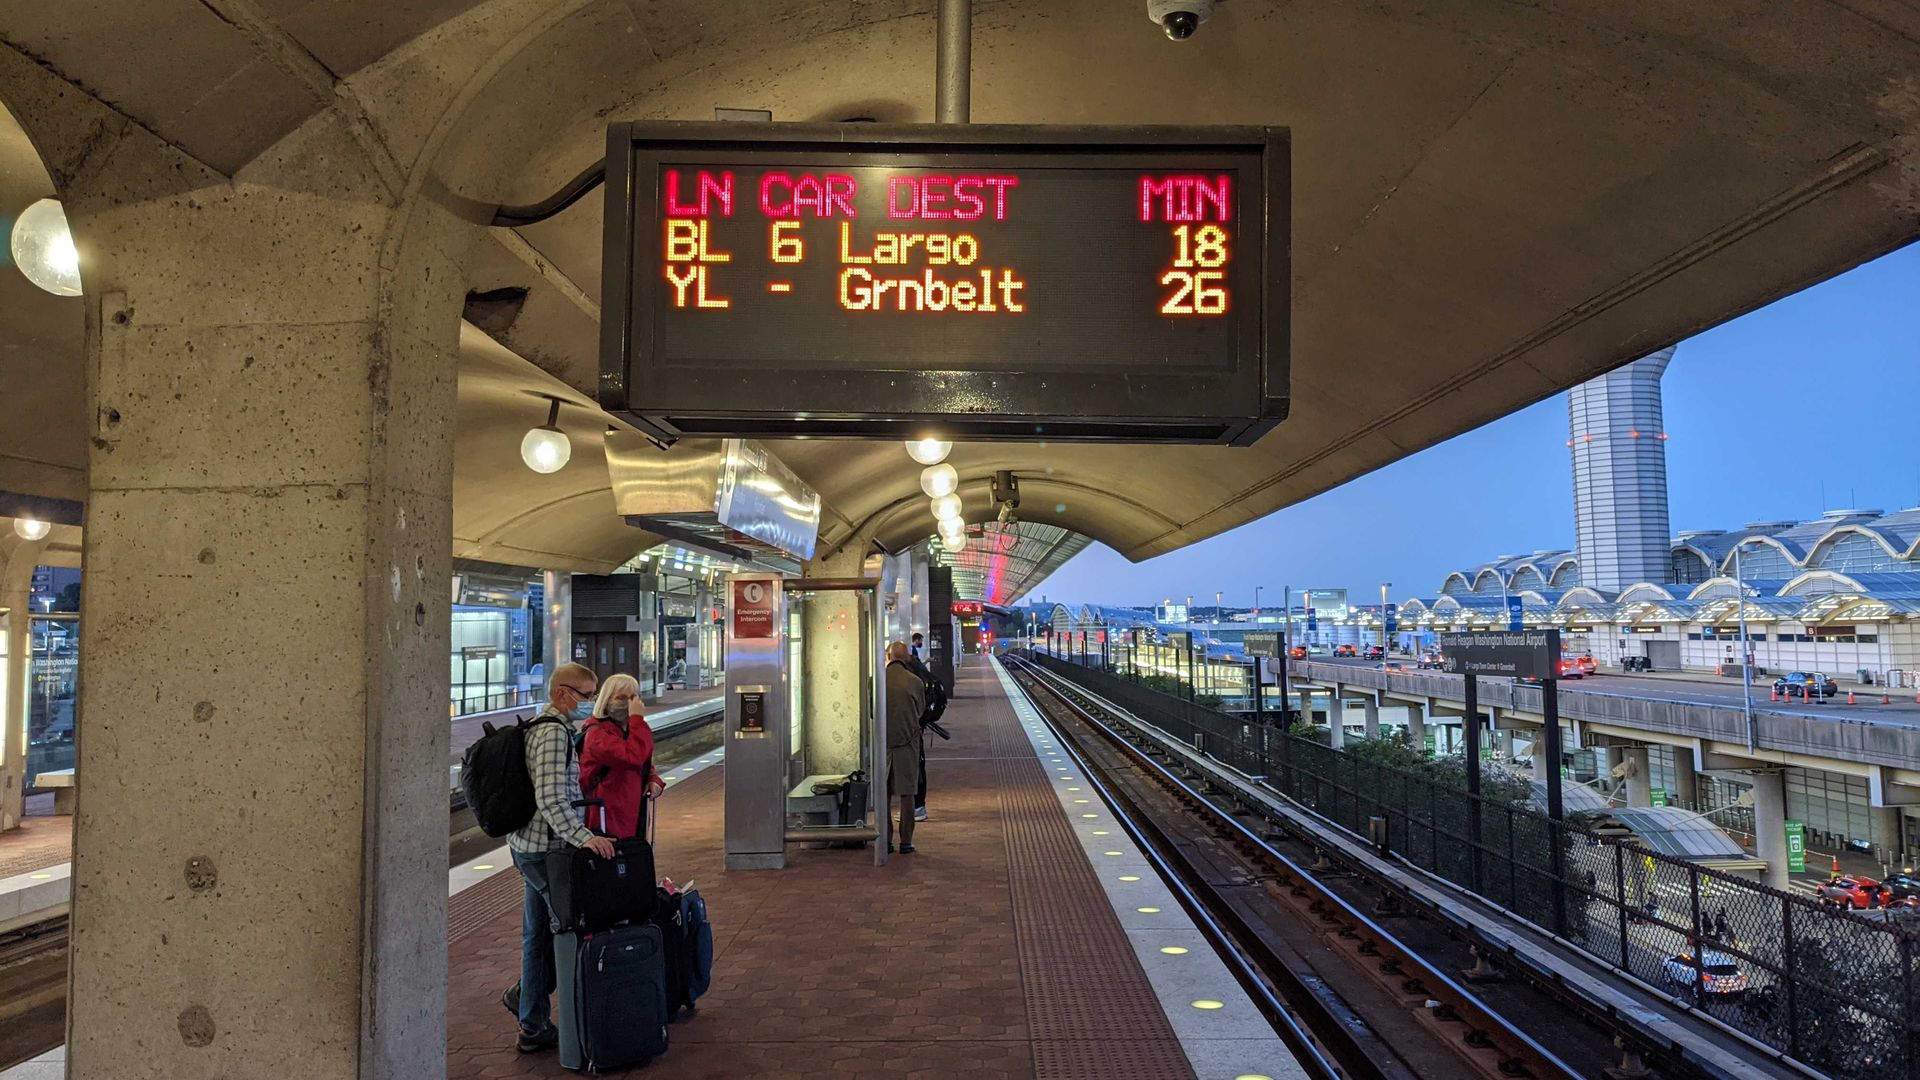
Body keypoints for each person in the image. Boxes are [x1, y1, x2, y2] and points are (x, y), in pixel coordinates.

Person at [503, 663, 615, 1053]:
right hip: (544, 851)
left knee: (536, 935)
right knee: (567, 931)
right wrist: (585, 838)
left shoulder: (545, 727)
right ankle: (549, 1017)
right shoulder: (552, 734)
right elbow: (550, 799)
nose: (589, 703)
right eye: (586, 696)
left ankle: (530, 1016)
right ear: (561, 694)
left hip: (529, 846)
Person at [580, 673, 666, 839]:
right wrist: (637, 719)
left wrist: (653, 780)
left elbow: (644, 764)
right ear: (606, 699)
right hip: (606, 815)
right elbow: (633, 757)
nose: (628, 703)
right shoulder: (597, 735)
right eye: (621, 697)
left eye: (633, 697)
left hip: (632, 812)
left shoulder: (627, 732)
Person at [884, 641, 926, 853]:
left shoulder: (877, 680)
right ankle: (906, 842)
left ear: (888, 657)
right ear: (907, 657)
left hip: (883, 745)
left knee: (884, 794)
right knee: (907, 793)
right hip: (908, 744)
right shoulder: (915, 682)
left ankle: (886, 840)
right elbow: (920, 711)